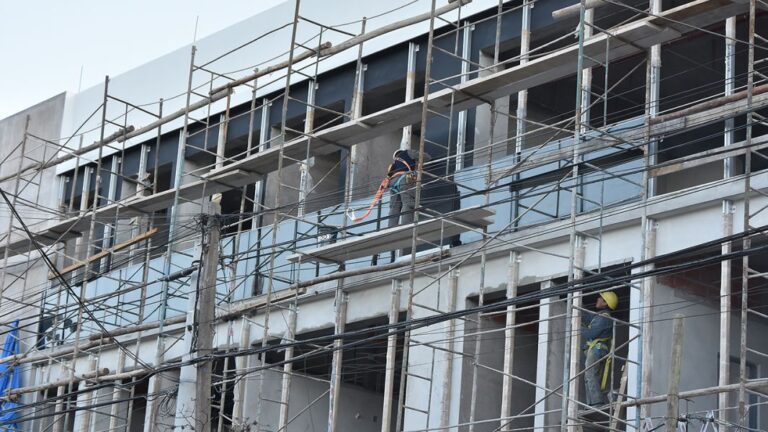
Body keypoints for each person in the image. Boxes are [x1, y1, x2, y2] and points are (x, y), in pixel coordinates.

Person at [582, 290, 618, 407]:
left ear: (605, 303)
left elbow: (591, 334)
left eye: (600, 298)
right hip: (596, 350)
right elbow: (587, 318)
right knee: (589, 376)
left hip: (597, 350)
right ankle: (592, 403)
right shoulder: (598, 316)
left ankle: (596, 402)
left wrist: (578, 328)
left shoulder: (604, 318)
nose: (597, 299)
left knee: (591, 375)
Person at [387, 148, 431, 228]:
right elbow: (425, 156)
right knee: (407, 202)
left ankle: (391, 227)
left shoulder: (395, 164)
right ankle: (406, 225)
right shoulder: (407, 152)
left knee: (394, 206)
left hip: (393, 181)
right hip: (406, 177)